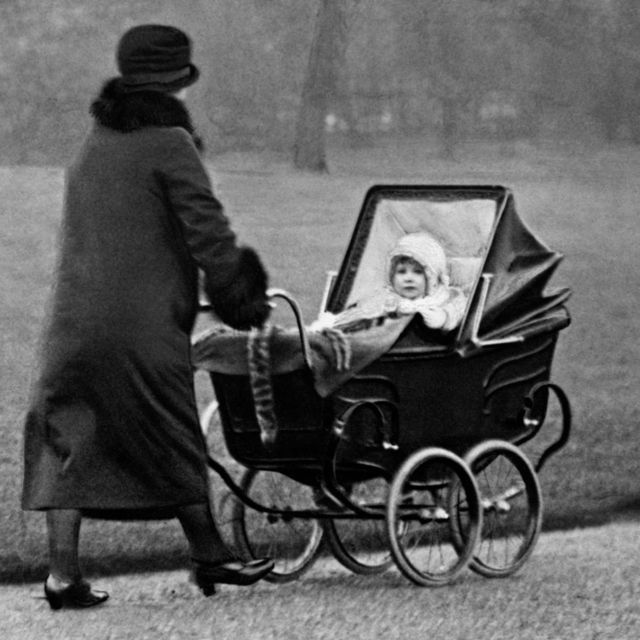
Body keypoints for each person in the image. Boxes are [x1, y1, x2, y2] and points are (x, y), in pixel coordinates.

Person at [22, 24, 274, 609]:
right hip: (141, 328)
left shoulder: (94, 141)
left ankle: (62, 576)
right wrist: (241, 296)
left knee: (70, 438)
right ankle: (211, 556)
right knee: (170, 429)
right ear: (177, 85)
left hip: (73, 323)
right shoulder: (170, 143)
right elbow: (209, 235)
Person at [314, 231, 467, 334]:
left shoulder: (444, 296)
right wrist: (334, 323)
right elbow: (362, 312)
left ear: (432, 278)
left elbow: (460, 308)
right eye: (401, 272)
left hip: (430, 349)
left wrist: (444, 317)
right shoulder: (387, 297)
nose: (408, 278)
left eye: (418, 272)